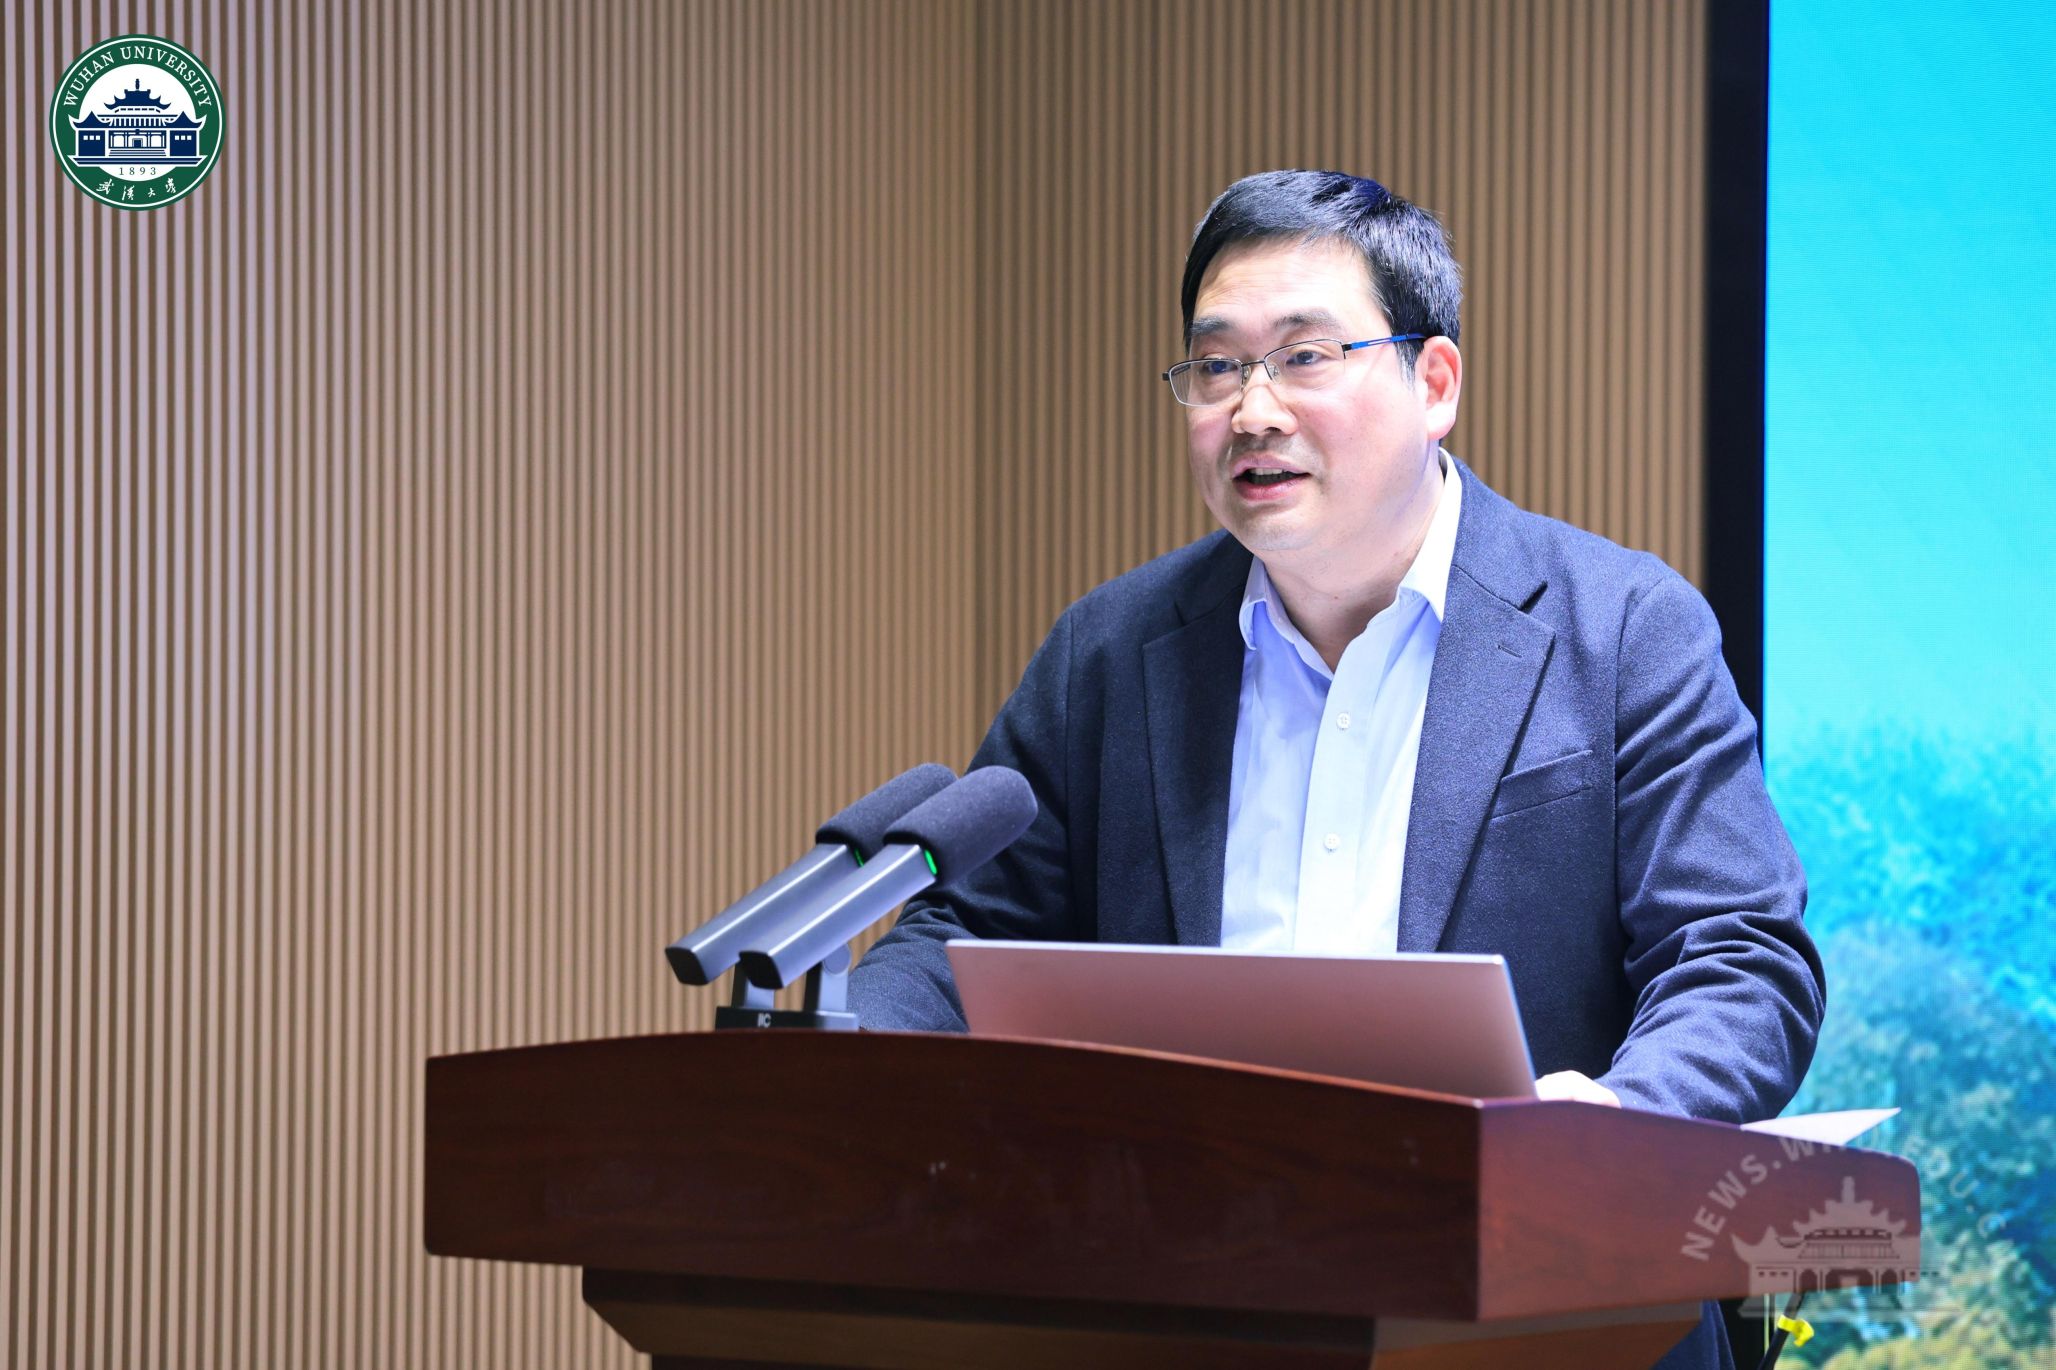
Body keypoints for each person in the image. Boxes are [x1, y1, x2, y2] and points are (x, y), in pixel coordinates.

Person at [849, 169, 1823, 1370]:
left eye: (1304, 356)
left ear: (1435, 383)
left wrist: (1610, 1123)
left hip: (1550, 1314)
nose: (1251, 410)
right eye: (1216, 367)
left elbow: (1737, 956)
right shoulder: (1110, 652)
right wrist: (844, 1068)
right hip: (1179, 1308)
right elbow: (962, 933)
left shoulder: (1621, 628)